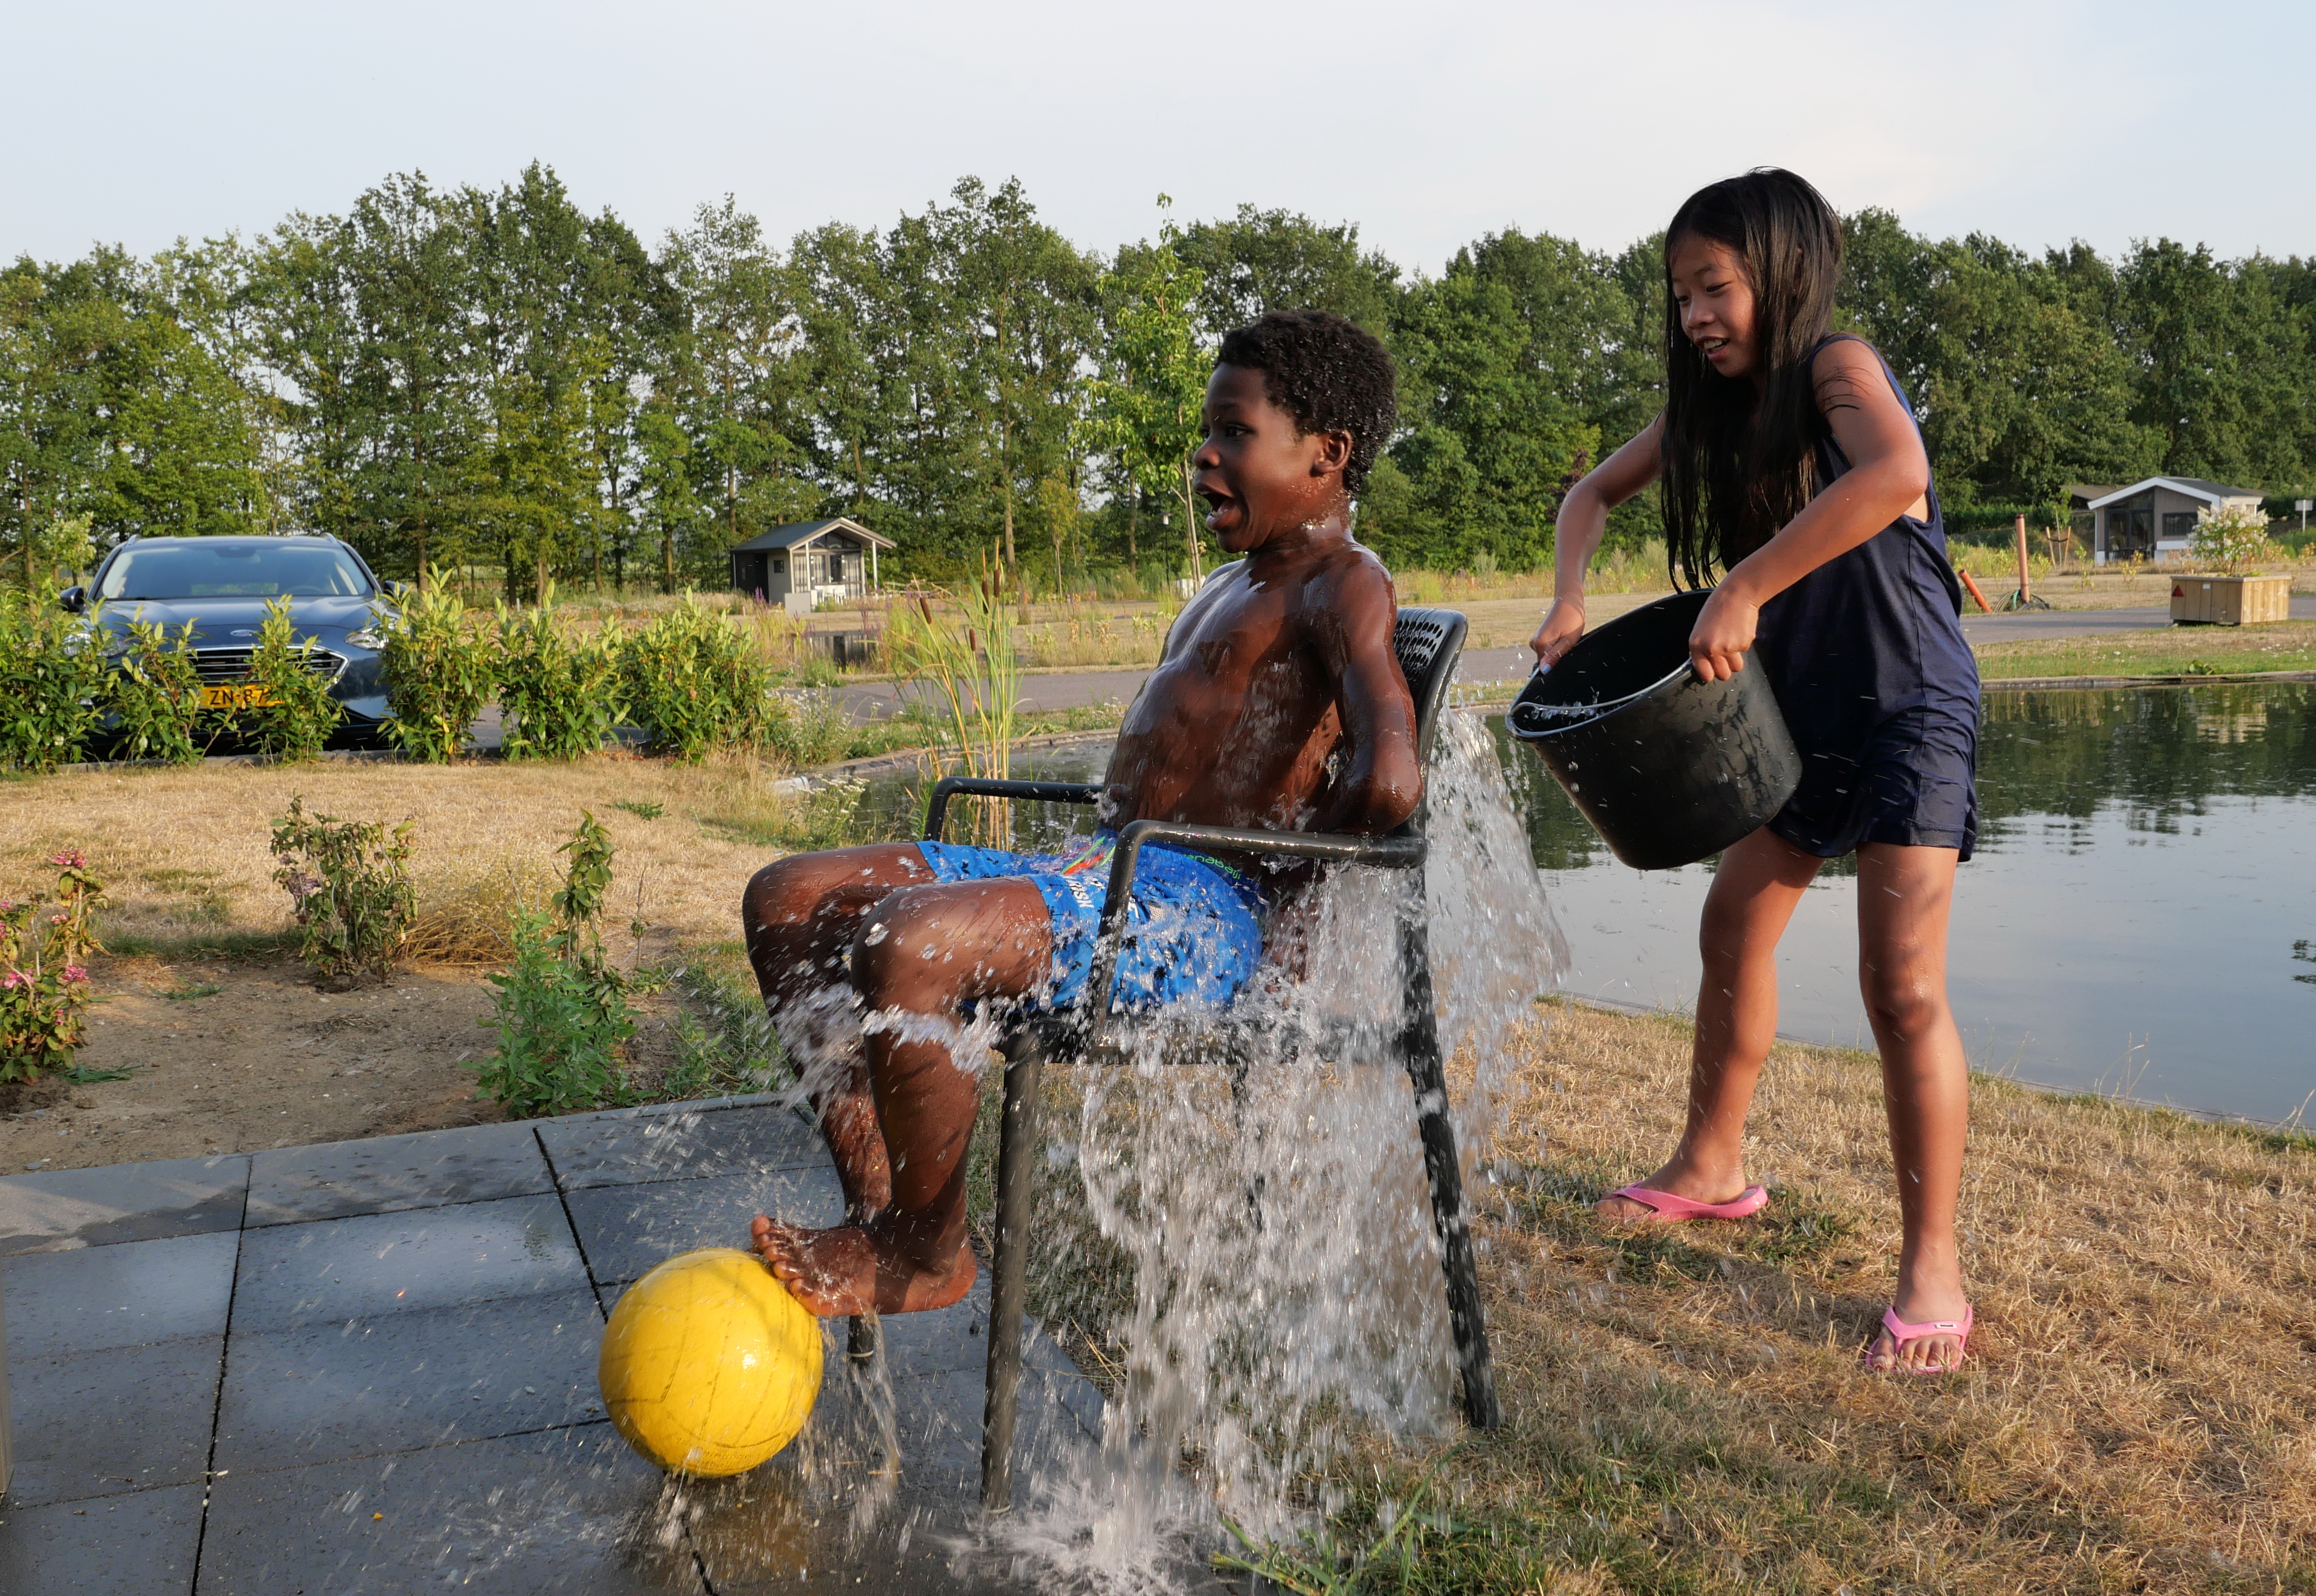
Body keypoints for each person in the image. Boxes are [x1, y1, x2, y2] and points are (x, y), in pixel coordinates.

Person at [743, 310, 1421, 1319]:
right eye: (1208, 430)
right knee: (791, 896)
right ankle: (883, 1209)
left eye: (1235, 432)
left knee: (909, 943)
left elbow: (1392, 779)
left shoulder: (1343, 584)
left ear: (1327, 454)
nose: (1204, 452)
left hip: (1203, 914)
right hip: (1102, 871)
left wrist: (1292, 891)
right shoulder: (1226, 587)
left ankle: (931, 1256)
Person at [1530, 169, 1980, 1375]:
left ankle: (1931, 1265)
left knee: (1903, 988)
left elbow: (1894, 477)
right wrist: (1571, 596)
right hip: (1796, 713)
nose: (1695, 316)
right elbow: (1590, 494)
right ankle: (1712, 1168)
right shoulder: (1709, 413)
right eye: (1680, 295)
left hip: (1908, 704)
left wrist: (1743, 585)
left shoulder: (1837, 369)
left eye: (1714, 287)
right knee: (1734, 929)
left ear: (1780, 275)